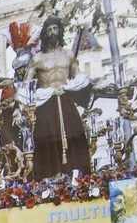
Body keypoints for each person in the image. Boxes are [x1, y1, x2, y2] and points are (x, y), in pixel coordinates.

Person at [27, 15, 93, 180]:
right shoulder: (38, 59)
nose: (52, 33)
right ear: (44, 35)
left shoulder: (69, 55)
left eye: (55, 29)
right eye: (49, 30)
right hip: (46, 106)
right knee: (47, 143)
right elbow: (26, 86)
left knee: (75, 137)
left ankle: (78, 180)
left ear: (60, 31)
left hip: (65, 102)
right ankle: (50, 182)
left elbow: (78, 77)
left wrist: (87, 89)